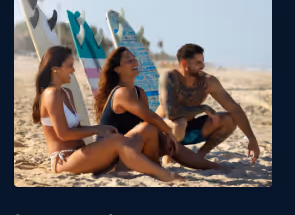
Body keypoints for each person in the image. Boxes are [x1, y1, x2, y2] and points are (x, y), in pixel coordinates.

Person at [32, 46, 184, 182]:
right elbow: (64, 134)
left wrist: (100, 130)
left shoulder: (66, 92)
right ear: (55, 69)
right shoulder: (50, 95)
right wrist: (98, 129)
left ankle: (145, 167)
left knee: (135, 140)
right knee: (117, 140)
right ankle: (163, 175)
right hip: (65, 160)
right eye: (70, 66)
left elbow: (76, 128)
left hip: (80, 154)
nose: (73, 70)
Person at [96, 48, 220, 170]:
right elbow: (150, 118)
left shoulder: (139, 92)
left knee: (176, 125)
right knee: (154, 130)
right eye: (129, 60)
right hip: (110, 155)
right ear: (117, 69)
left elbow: (148, 121)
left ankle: (211, 165)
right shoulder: (121, 93)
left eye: (134, 58)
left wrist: (172, 129)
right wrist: (169, 133)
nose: (135, 62)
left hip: (130, 147)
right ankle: (205, 165)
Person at [162, 43, 261, 164]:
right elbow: (171, 113)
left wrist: (251, 138)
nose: (202, 66)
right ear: (184, 63)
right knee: (179, 123)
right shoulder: (171, 78)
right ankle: (169, 156)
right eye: (198, 62)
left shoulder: (208, 82)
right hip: (163, 130)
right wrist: (203, 108)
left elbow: (234, 108)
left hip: (189, 130)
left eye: (202, 61)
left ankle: (199, 157)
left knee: (229, 119)